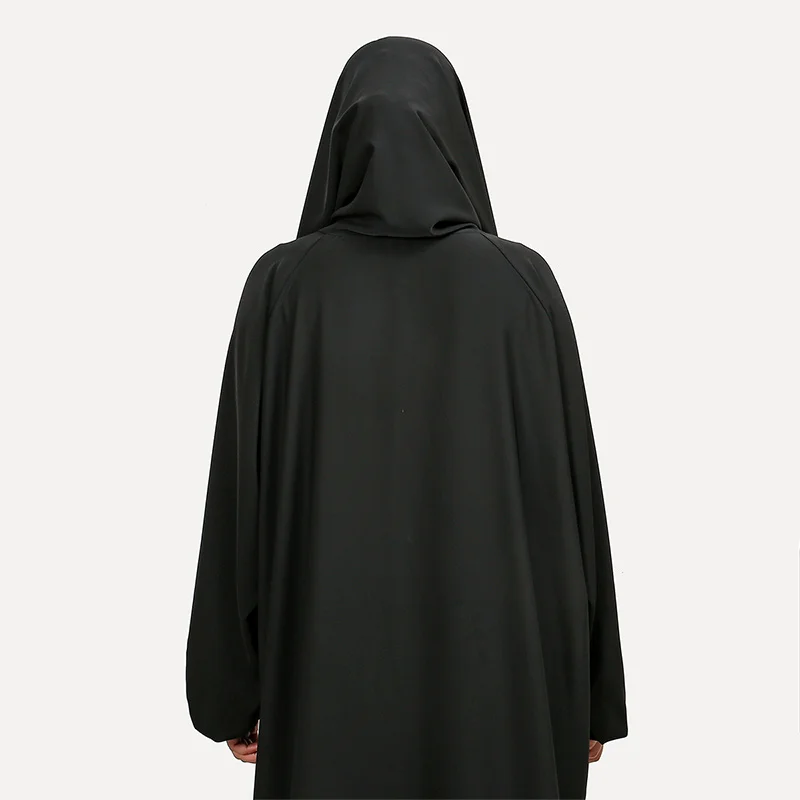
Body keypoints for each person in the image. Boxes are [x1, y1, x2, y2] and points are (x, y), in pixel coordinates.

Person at [186, 35, 627, 800]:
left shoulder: (283, 290)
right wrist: (593, 697)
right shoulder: (522, 288)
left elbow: (238, 507)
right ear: (455, 139)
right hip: (503, 715)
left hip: (323, 713)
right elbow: (572, 508)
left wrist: (229, 690)